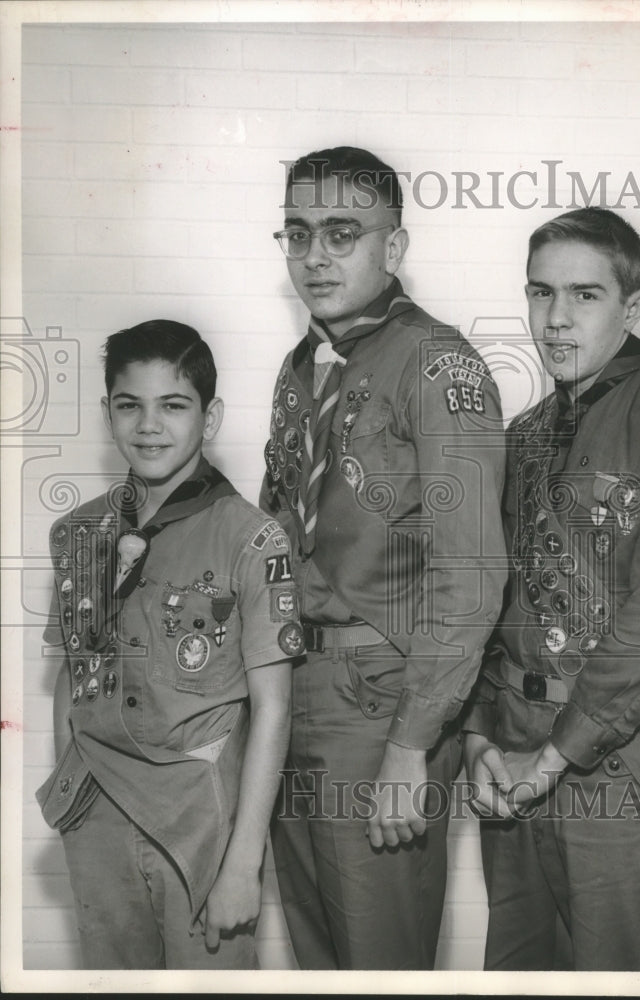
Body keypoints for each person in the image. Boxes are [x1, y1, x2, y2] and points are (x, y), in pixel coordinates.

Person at [463, 207, 640, 971]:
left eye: (584, 295)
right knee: (517, 978)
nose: (555, 319)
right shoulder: (521, 437)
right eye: (539, 292)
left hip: (612, 768)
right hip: (509, 762)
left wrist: (552, 758)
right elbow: (491, 600)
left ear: (633, 306)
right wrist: (480, 734)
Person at [260, 146, 507, 970]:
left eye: (342, 232)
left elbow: (472, 576)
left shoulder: (436, 365)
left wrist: (412, 745)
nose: (315, 255)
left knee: (380, 959)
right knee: (317, 955)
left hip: (380, 710)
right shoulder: (303, 370)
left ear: (393, 249)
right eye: (297, 234)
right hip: (293, 696)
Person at [36, 320, 301, 969]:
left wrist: (244, 861)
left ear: (209, 419)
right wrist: (70, 791)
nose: (149, 425)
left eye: (173, 405)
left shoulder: (252, 539)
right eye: (130, 405)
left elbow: (274, 708)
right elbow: (74, 671)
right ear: (107, 412)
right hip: (97, 816)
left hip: (199, 826)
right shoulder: (80, 534)